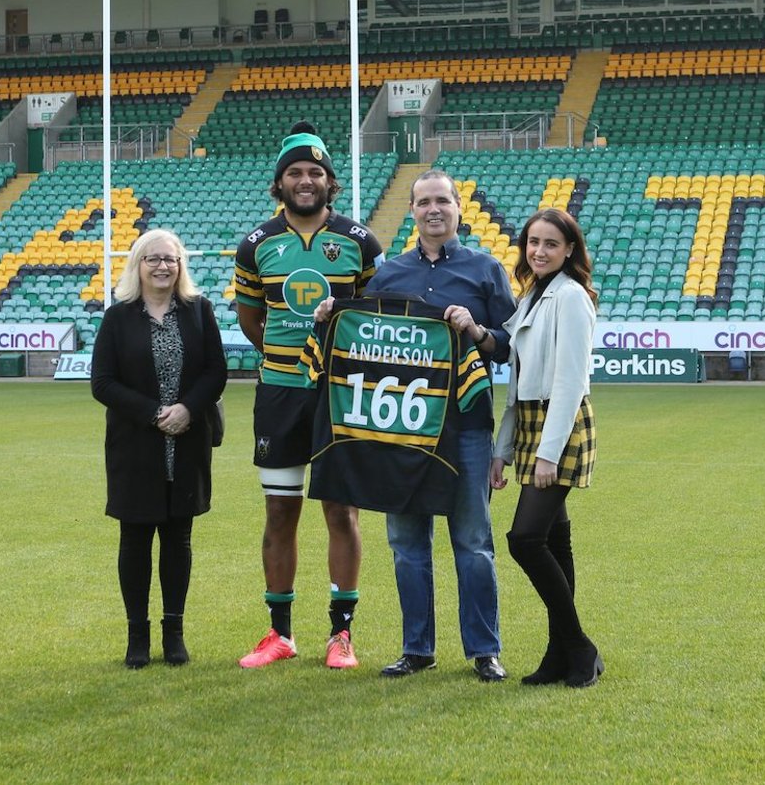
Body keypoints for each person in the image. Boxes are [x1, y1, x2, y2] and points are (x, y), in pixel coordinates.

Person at [318, 170, 516, 682]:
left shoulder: (486, 270)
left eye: (442, 201)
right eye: (424, 201)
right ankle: (417, 649)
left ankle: (484, 650)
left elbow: (512, 344)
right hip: (402, 430)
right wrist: (330, 316)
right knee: (407, 544)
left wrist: (476, 331)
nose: (434, 210)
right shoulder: (388, 277)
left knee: (473, 542)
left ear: (457, 209)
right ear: (411, 210)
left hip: (466, 425)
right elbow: (363, 340)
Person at [233, 122, 384, 669]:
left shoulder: (360, 242)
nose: (305, 181)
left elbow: (375, 317)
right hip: (279, 393)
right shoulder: (256, 245)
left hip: (339, 394)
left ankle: (340, 635)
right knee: (280, 512)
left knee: (341, 511)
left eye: (314, 173)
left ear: (329, 181)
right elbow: (253, 321)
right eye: (295, 173)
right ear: (280, 182)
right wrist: (289, 357)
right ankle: (280, 634)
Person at [91, 229, 227, 668]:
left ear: (181, 265)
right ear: (137, 265)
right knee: (134, 540)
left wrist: (187, 409)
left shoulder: (199, 311)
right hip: (136, 445)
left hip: (187, 444)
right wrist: (155, 413)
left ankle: (174, 634)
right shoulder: (117, 317)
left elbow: (215, 371)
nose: (163, 266)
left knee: (178, 539)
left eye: (170, 259)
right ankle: (137, 637)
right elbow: (103, 383)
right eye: (153, 259)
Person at [490, 208, 602, 688]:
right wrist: (502, 450)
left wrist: (548, 454)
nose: (538, 251)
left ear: (570, 249)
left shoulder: (571, 297)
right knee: (555, 540)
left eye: (550, 244)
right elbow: (516, 382)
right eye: (533, 242)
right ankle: (561, 655)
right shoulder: (533, 295)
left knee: (525, 539)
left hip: (560, 424)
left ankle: (578, 645)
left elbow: (571, 380)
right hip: (531, 424)